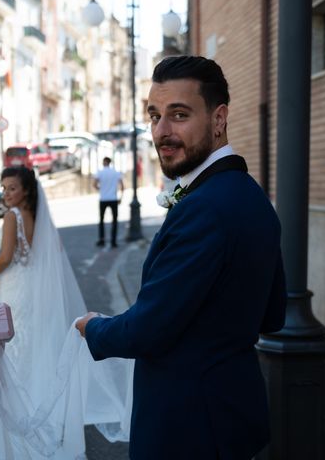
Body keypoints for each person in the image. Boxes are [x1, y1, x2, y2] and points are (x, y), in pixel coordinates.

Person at [76, 55, 287, 459]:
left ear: (219, 117)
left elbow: (145, 331)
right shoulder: (252, 197)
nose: (161, 132)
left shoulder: (204, 208)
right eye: (155, 116)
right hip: (232, 418)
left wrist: (91, 328)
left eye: (179, 114)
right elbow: (272, 315)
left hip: (188, 427)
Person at [0, 166, 131, 458]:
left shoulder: (12, 217)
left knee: (16, 348)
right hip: (29, 288)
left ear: (26, 190)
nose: (6, 193)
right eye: (4, 187)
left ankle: (19, 412)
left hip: (16, 288)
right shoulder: (37, 216)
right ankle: (40, 404)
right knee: (30, 345)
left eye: (12, 188)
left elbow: (6, 255)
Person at [93, 157, 124, 248]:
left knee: (101, 220)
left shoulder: (100, 172)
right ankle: (113, 241)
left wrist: (101, 190)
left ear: (103, 162)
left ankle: (102, 240)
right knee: (114, 220)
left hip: (103, 199)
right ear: (110, 162)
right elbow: (122, 186)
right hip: (113, 199)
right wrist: (120, 198)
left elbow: (94, 184)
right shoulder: (115, 172)